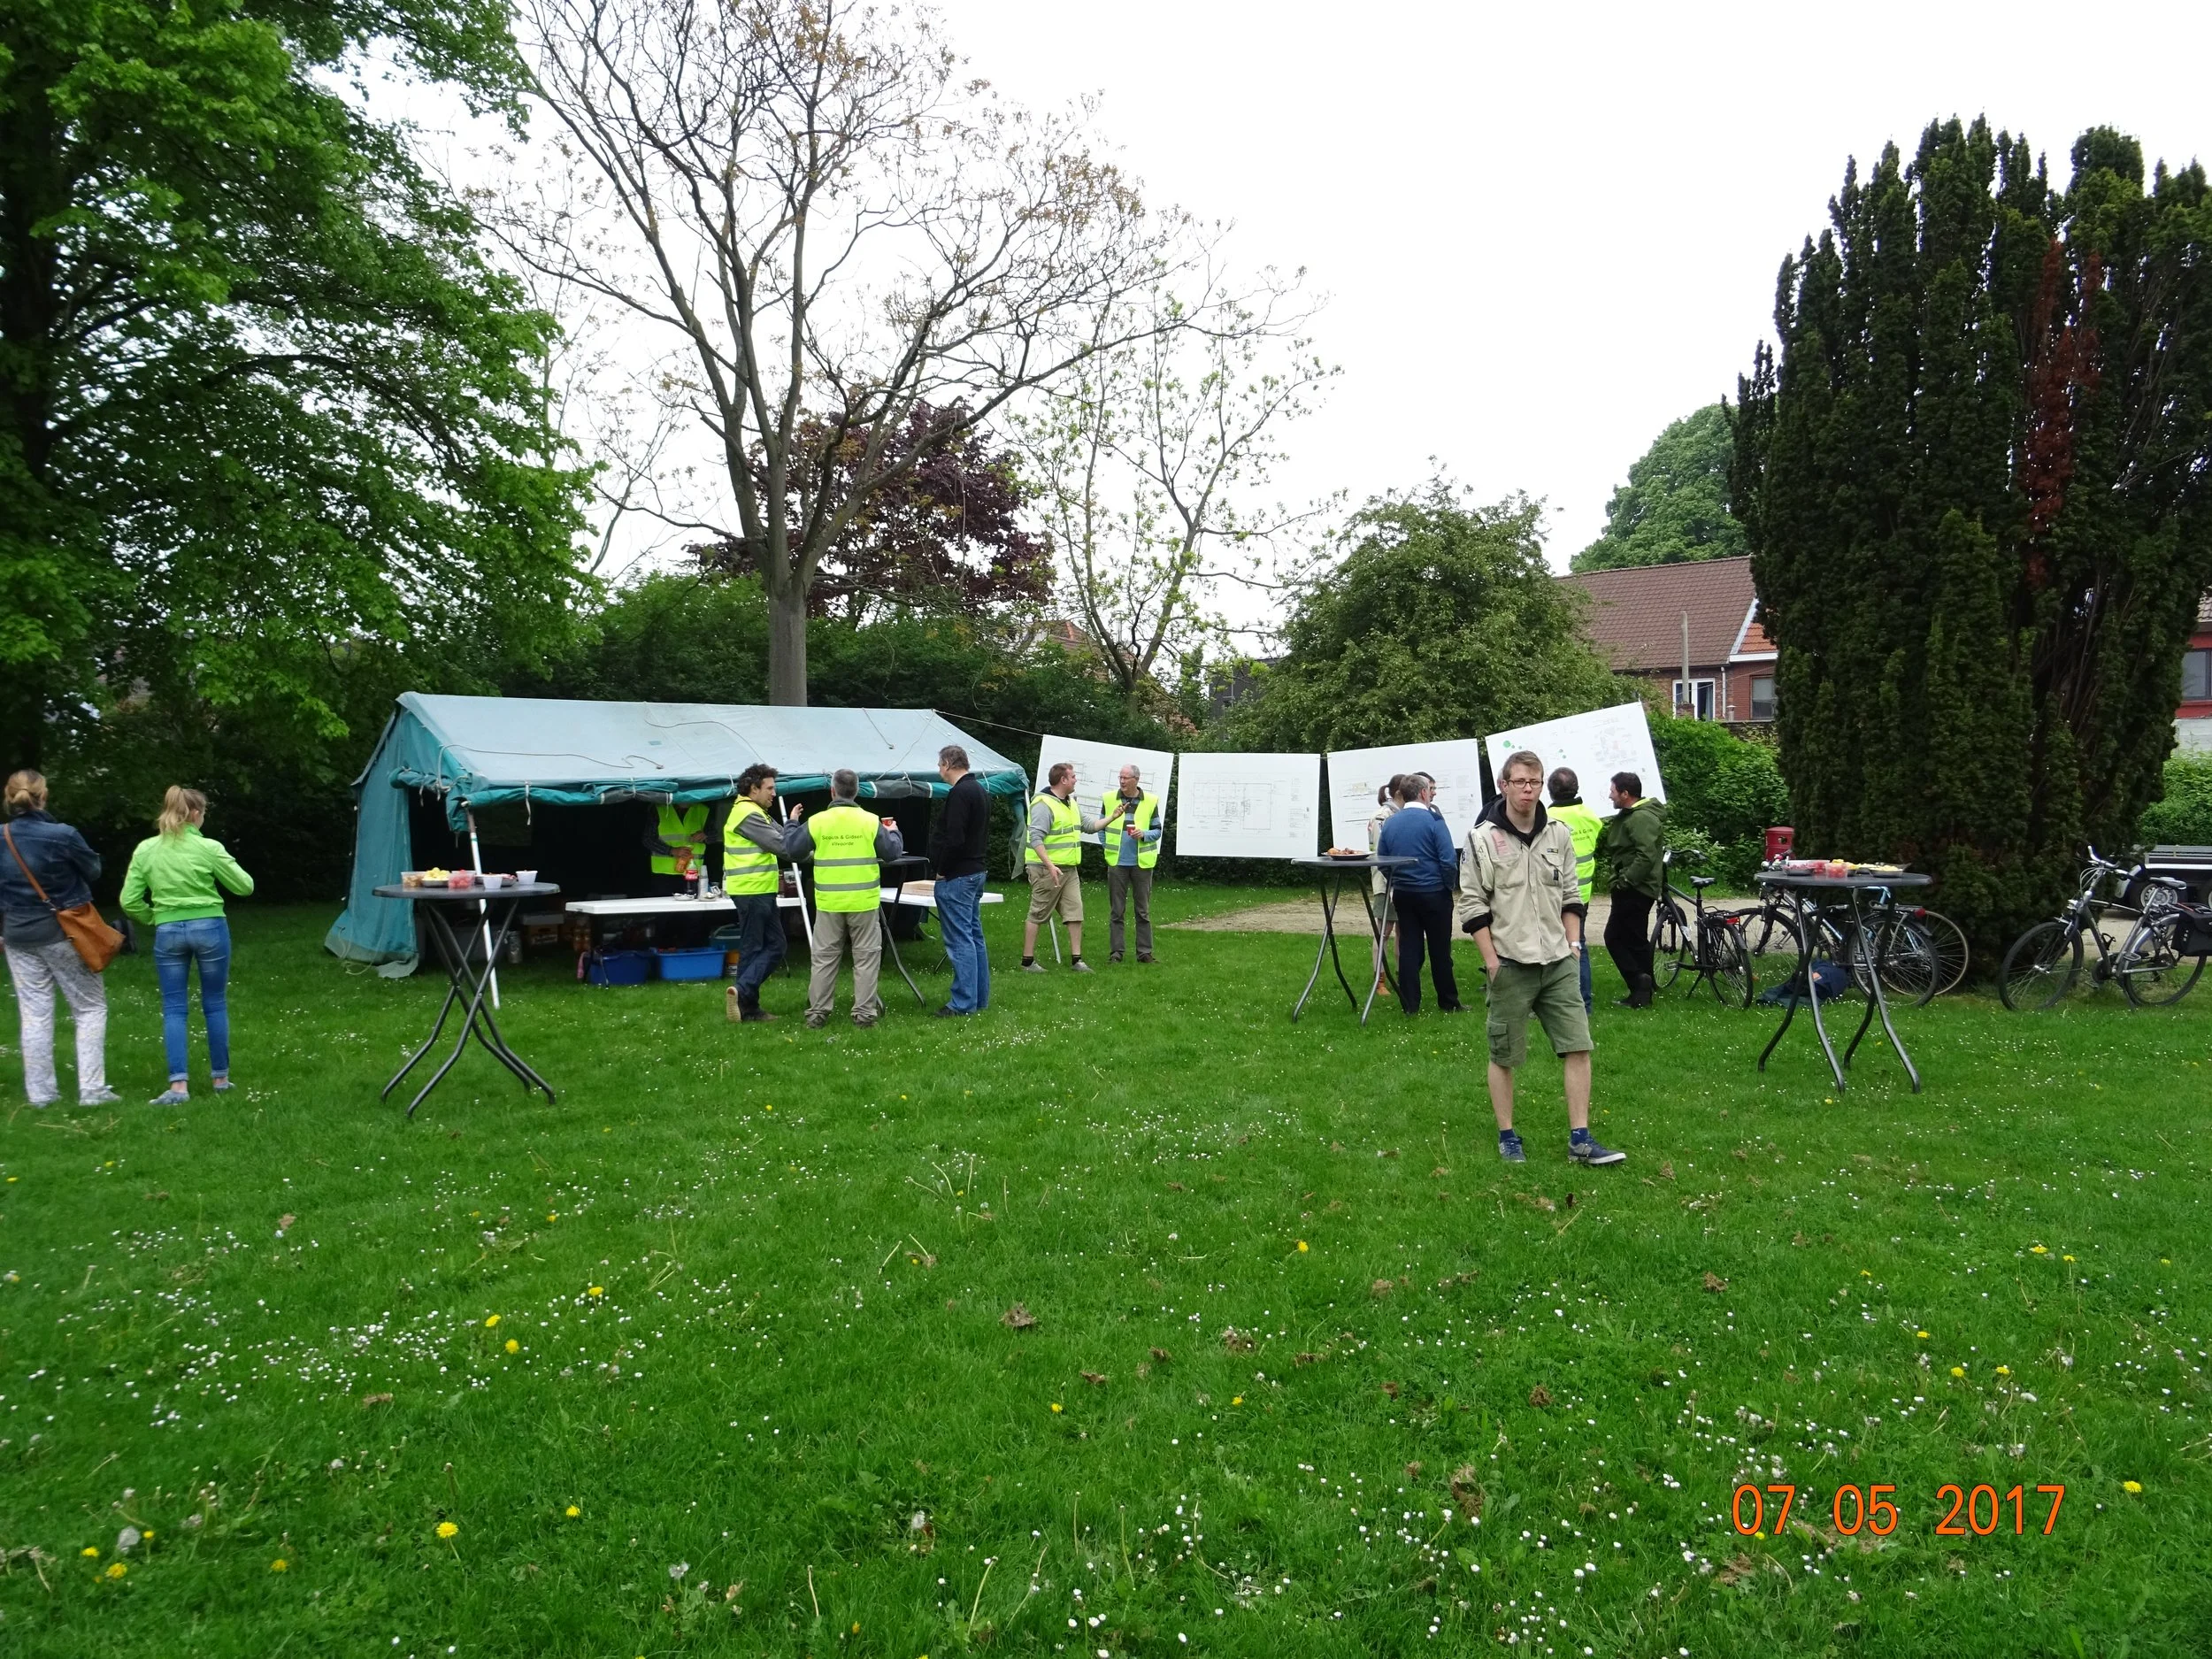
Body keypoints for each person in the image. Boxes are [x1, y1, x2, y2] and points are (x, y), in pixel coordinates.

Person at [1462, 749, 1623, 1167]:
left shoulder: (1559, 834)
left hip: (1557, 962)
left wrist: (1573, 946)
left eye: (1535, 782)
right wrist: (1492, 962)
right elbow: (1473, 906)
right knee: (1504, 1055)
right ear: (1504, 785)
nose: (1528, 790)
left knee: (1578, 1047)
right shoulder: (1481, 839)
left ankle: (1581, 1141)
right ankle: (1507, 1135)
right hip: (1510, 964)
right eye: (1520, 782)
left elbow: (1572, 894)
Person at [119, 786, 255, 1105]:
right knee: (215, 1003)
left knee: (175, 1008)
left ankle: (178, 1087)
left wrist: (154, 918)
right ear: (195, 814)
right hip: (210, 927)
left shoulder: (146, 849)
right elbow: (245, 886)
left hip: (168, 930)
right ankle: (220, 1079)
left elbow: (129, 900)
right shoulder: (208, 847)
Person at [0, 770, 118, 1107]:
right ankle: (92, 1091)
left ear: (10, 797)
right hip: (65, 932)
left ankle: (41, 1095)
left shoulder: (1, 836)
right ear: (44, 796)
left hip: (18, 934)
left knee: (34, 1013)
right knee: (89, 1007)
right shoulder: (63, 835)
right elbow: (94, 871)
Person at [784, 769, 903, 1028]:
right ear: (857, 791)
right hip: (863, 902)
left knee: (824, 958)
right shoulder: (870, 821)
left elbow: (792, 849)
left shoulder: (818, 821)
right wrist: (894, 831)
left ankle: (817, 1014)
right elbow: (892, 853)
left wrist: (792, 823)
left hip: (829, 903)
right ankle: (864, 1015)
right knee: (866, 958)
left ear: (832, 791)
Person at [1375, 772, 1462, 1014]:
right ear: (1424, 793)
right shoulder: (1434, 822)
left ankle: (1410, 1004)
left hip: (1403, 893)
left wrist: (1397, 881)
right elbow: (1448, 861)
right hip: (1434, 892)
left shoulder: (1391, 823)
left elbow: (1382, 861)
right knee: (1440, 950)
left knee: (1409, 948)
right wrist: (1446, 886)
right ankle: (1448, 1001)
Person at [720, 764, 800, 1023]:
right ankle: (746, 1002)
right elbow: (783, 846)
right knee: (755, 947)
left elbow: (787, 836)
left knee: (775, 945)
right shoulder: (748, 814)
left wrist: (795, 827)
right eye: (769, 788)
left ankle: (744, 1000)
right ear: (752, 789)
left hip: (760, 891)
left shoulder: (756, 812)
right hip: (752, 891)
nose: (773, 794)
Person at [1021, 761, 1115, 972]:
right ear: (1063, 780)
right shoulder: (1043, 804)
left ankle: (1077, 961)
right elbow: (1036, 838)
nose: (1076, 780)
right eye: (1073, 777)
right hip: (1046, 870)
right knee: (1038, 913)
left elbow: (1090, 826)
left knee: (1075, 913)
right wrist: (1050, 865)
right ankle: (1027, 962)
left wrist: (1112, 817)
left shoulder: (1071, 802)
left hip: (1069, 869)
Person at [928, 744, 991, 1017]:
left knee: (960, 941)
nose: (939, 769)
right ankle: (978, 998)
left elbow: (954, 839)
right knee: (974, 937)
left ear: (947, 764)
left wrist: (942, 870)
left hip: (958, 875)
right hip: (976, 871)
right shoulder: (980, 790)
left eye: (939, 764)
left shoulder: (960, 794)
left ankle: (963, 1003)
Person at [1597, 771, 1667, 1009]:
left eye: (1613, 791)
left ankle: (1639, 981)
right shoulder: (1633, 815)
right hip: (1635, 886)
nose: (1610, 795)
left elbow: (1645, 856)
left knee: (1614, 937)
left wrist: (1625, 880)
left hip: (1635, 888)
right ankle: (1642, 991)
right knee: (1635, 939)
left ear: (1625, 794)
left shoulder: (1641, 818)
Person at [1546, 767, 1604, 1015]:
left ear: (1550, 790)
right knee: (1577, 942)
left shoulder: (1546, 818)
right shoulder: (1591, 816)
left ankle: (1554, 1001)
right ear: (1577, 788)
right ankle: (1583, 1002)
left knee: (1550, 945)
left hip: (1555, 891)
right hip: (1584, 892)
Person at [1102, 764, 1165, 964]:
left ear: (1136, 780)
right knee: (1116, 911)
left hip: (1142, 864)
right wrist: (1107, 847)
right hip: (1117, 862)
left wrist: (1144, 835)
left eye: (1126, 778)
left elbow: (1157, 830)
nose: (1122, 781)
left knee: (1142, 911)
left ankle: (1144, 953)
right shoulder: (1109, 799)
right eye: (1120, 777)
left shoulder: (1150, 801)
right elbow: (1101, 827)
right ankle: (1116, 953)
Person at [1367, 775, 1407, 996]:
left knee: (1403, 931)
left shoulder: (1399, 815)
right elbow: (1382, 854)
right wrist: (1390, 883)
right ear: (1399, 793)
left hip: (1402, 882)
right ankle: (1379, 979)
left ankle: (1401, 976)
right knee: (1383, 931)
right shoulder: (1382, 816)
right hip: (1386, 883)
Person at [646, 801, 710, 895]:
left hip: (692, 872)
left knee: (691, 906)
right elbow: (648, 839)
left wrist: (705, 835)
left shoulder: (703, 809)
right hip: (664, 874)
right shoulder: (659, 808)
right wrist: (671, 850)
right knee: (665, 907)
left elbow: (715, 835)